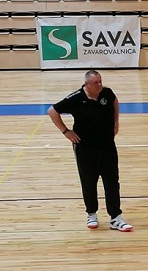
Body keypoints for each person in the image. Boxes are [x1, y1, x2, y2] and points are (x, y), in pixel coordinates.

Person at [47, 70, 132, 232]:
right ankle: (91, 213)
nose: (99, 85)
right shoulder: (76, 98)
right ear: (87, 84)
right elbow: (52, 111)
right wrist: (66, 131)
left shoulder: (106, 93)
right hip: (85, 148)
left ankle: (115, 217)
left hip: (107, 146)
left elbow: (115, 101)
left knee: (112, 182)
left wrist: (116, 122)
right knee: (89, 182)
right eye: (96, 83)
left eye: (100, 81)